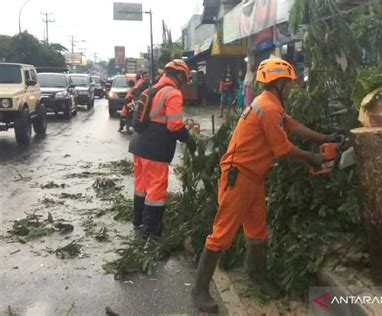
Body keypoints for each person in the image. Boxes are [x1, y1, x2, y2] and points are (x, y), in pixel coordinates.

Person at [191, 58, 339, 313]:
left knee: (257, 230)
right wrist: (313, 157)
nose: (292, 88)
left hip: (254, 177)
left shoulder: (271, 105)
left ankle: (257, 275)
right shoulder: (268, 108)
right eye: (290, 84)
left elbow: (293, 126)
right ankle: (199, 289)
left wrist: (324, 138)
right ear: (279, 83)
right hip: (239, 177)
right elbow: (283, 149)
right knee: (222, 233)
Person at [128, 60, 196, 235]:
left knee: (141, 185)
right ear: (179, 76)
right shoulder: (172, 93)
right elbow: (175, 125)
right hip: (155, 147)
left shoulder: (151, 89)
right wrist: (189, 140)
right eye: (184, 79)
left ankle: (139, 221)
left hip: (139, 144)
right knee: (156, 188)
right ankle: (151, 230)